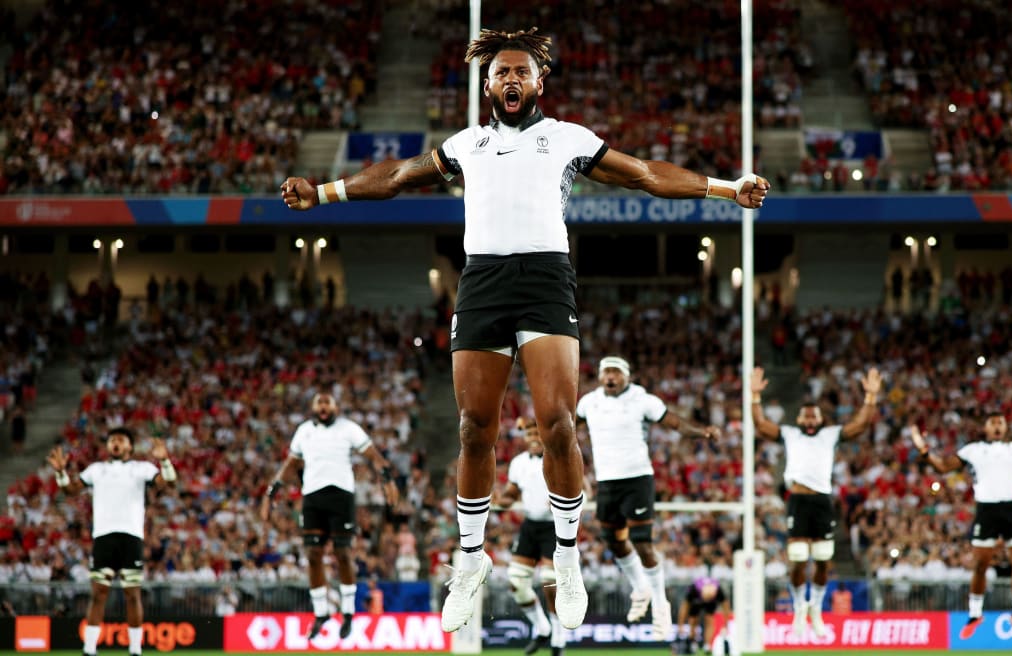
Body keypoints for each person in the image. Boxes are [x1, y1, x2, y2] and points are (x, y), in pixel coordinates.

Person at [280, 27, 769, 634]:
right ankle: (469, 558)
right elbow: (400, 176)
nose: (511, 80)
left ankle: (567, 559)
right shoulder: (468, 145)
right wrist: (324, 193)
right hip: (482, 280)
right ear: (487, 85)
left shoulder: (565, 138)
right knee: (472, 427)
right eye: (500, 73)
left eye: (521, 72)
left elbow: (643, 173)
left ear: (540, 82)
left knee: (558, 423)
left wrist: (726, 189)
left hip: (544, 278)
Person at [576, 356, 721, 640]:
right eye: (606, 372)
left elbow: (675, 422)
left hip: (637, 478)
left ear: (627, 376)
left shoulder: (643, 399)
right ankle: (640, 587)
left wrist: (701, 432)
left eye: (616, 372)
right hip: (606, 481)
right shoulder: (589, 402)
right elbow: (567, 424)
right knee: (614, 541)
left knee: (641, 541)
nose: (610, 378)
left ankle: (660, 603)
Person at [750, 366, 882, 638]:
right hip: (798, 499)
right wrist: (754, 396)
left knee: (823, 560)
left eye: (814, 416)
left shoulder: (830, 434)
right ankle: (799, 607)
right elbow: (762, 425)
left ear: (821, 419)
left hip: (822, 500)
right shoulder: (790, 434)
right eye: (806, 416)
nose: (810, 420)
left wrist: (870, 397)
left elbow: (859, 425)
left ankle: (816, 609)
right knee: (798, 558)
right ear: (799, 418)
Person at [260, 392, 398, 641]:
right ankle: (321, 611)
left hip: (341, 497)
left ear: (335, 406)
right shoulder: (304, 431)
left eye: (327, 403)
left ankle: (347, 611)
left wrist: (387, 480)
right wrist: (271, 492)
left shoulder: (349, 429)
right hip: (312, 497)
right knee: (313, 555)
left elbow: (374, 456)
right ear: (313, 407)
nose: (323, 407)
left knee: (343, 553)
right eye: (319, 403)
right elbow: (290, 464)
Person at [909, 413, 1012, 648]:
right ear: (985, 427)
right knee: (980, 564)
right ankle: (975, 614)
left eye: (1000, 422)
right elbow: (943, 466)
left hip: (1010, 509)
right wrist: (923, 450)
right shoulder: (972, 450)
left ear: (1005, 427)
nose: (997, 426)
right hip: (986, 510)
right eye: (992, 422)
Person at [46, 427, 177, 656]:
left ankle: (135, 650)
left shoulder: (141, 468)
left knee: (132, 594)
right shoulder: (97, 470)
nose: (115, 443)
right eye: (112, 440)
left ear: (129, 446)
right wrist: (61, 474)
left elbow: (168, 483)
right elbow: (70, 490)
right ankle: (89, 649)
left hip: (131, 536)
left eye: (121, 440)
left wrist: (165, 461)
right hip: (103, 536)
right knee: (98, 594)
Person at [494, 418, 565, 656]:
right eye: (529, 433)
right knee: (516, 582)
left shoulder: (559, 457)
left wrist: (562, 503)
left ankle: (558, 639)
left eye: (537, 431)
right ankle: (542, 628)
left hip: (554, 526)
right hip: (531, 525)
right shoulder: (518, 463)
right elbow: (511, 494)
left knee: (549, 581)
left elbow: (582, 490)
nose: (534, 437)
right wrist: (498, 502)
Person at [675, 577, 731, 655]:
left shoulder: (718, 591)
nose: (706, 601)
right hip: (696, 602)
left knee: (710, 620)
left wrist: (725, 625)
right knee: (693, 620)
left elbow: (726, 607)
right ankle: (692, 642)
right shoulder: (693, 590)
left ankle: (707, 645)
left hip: (711, 601)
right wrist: (680, 625)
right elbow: (684, 607)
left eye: (709, 599)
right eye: (706, 599)